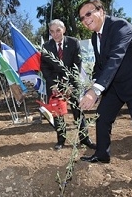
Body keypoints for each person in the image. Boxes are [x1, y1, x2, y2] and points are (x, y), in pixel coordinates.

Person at [77, 0, 132, 194]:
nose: (85, 20)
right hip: (116, 84)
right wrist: (92, 89)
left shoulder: (120, 26)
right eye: (82, 18)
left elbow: (115, 59)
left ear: (101, 11)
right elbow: (101, 66)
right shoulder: (94, 37)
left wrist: (96, 90)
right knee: (102, 118)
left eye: (88, 14)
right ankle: (102, 154)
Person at [41, 19, 96, 150]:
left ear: (64, 30)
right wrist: (53, 85)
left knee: (78, 111)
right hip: (55, 85)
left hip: (72, 83)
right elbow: (44, 67)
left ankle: (85, 139)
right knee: (58, 114)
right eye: (52, 32)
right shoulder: (46, 46)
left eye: (58, 31)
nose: (55, 34)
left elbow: (77, 64)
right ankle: (61, 140)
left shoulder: (73, 42)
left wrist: (71, 84)